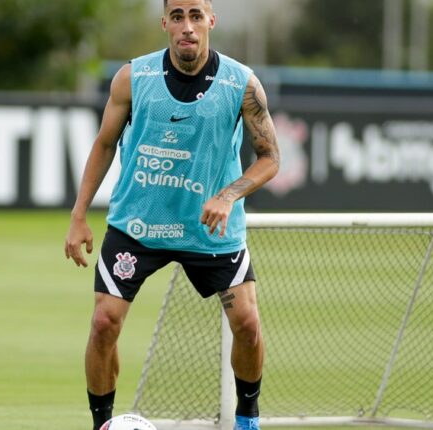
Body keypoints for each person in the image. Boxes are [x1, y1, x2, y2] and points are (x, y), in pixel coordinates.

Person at [64, 0, 279, 429]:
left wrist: (228, 195)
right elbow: (105, 143)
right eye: (177, 16)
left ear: (211, 21)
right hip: (139, 225)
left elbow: (270, 157)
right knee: (104, 323)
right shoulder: (133, 77)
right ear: (164, 22)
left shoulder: (242, 84)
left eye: (195, 16)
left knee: (248, 326)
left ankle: (247, 420)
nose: (187, 26)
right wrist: (79, 214)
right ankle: (102, 424)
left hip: (209, 230)